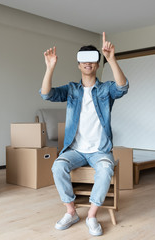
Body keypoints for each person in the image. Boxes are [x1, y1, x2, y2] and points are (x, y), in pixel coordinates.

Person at [39, 32, 129, 236]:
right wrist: (50, 67)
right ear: (79, 64)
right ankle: (71, 212)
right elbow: (46, 94)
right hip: (75, 150)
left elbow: (123, 87)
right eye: (84, 60)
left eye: (92, 60)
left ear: (97, 64)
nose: (88, 63)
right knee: (58, 166)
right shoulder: (72, 90)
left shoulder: (105, 90)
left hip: (100, 150)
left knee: (106, 170)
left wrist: (111, 59)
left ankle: (91, 215)